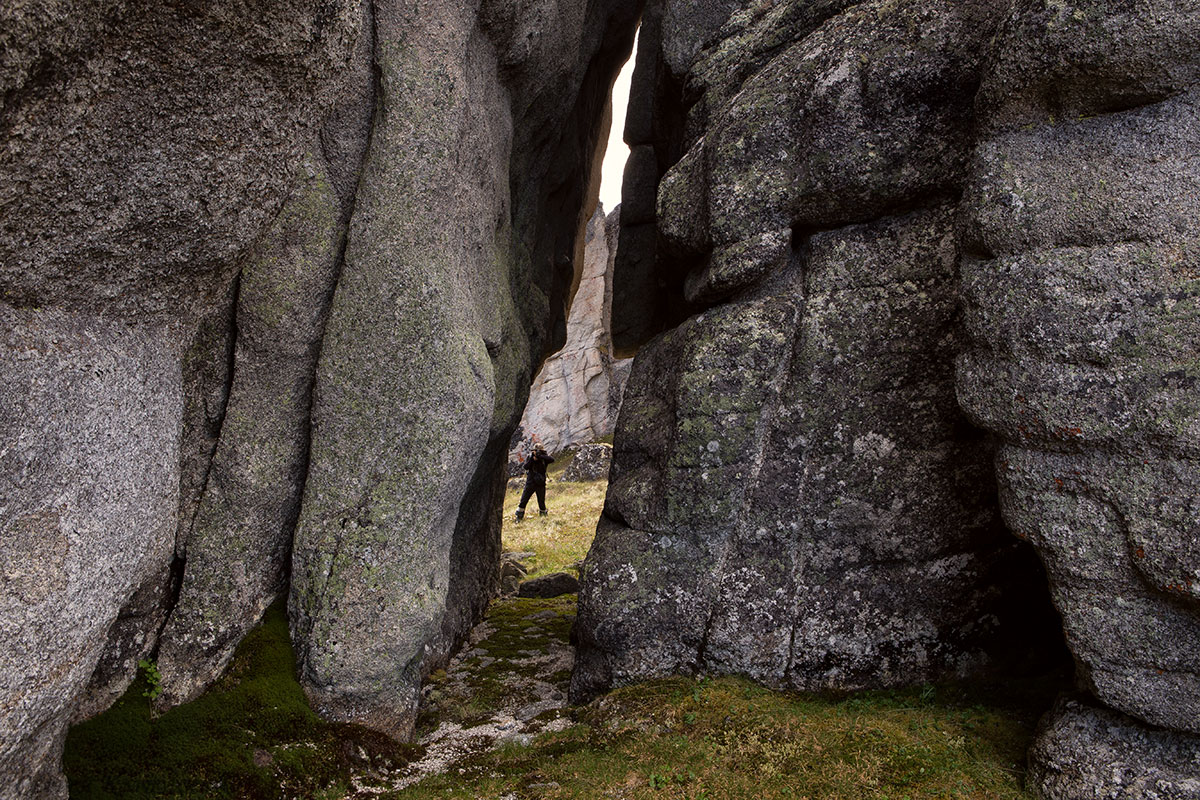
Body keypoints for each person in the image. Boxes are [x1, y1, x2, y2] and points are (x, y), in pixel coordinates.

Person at [515, 442, 554, 521]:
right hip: (531, 482)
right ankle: (519, 516)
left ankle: (543, 516)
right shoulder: (530, 457)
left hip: (540, 483)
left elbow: (552, 460)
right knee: (524, 500)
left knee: (541, 501)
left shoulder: (544, 458)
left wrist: (540, 456)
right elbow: (526, 467)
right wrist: (532, 459)